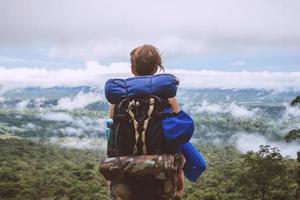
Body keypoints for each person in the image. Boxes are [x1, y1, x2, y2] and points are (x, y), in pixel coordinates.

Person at [107, 44, 185, 199]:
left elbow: (111, 132)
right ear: (156, 68)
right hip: (162, 175)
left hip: (125, 174)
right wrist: (179, 173)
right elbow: (179, 131)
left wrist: (112, 175)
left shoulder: (119, 98)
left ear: (132, 68)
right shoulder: (167, 97)